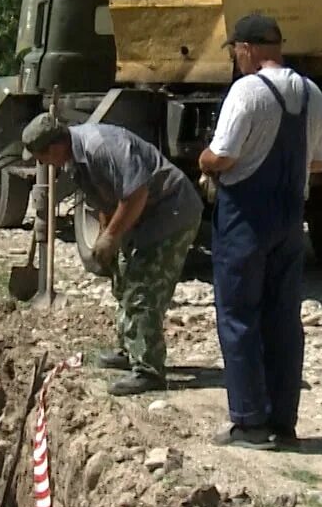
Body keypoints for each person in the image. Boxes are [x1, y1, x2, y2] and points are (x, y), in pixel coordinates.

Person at [198, 14, 322, 449]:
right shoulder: (311, 94)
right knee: (283, 320)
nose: (236, 58)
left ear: (249, 49)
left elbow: (223, 155)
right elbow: (320, 163)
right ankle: (283, 422)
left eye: (235, 50)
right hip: (291, 218)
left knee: (238, 317)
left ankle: (249, 421)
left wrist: (204, 160)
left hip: (246, 220)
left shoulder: (247, 91)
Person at [21, 114, 201, 395]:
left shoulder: (101, 147)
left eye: (42, 157)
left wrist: (111, 237)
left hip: (171, 212)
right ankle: (129, 349)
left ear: (55, 147)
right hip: (142, 216)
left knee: (143, 290)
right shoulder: (75, 159)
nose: (42, 164)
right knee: (123, 278)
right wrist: (107, 240)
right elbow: (106, 198)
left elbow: (135, 194)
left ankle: (149, 371)